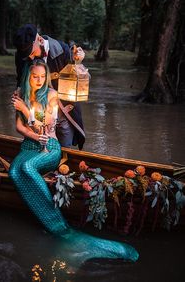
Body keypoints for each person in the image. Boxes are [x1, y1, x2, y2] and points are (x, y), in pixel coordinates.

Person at [9, 60, 139, 267]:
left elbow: (47, 125)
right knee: (14, 172)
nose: (40, 81)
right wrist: (29, 127)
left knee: (27, 168)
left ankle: (58, 226)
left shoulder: (51, 95)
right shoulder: (20, 93)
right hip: (29, 146)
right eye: (35, 77)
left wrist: (26, 111)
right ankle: (42, 212)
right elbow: (19, 127)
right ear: (28, 77)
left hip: (50, 147)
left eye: (43, 77)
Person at [13, 23, 85, 150]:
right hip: (36, 106)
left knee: (65, 139)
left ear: (39, 39)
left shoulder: (63, 50)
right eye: (26, 55)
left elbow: (78, 79)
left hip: (62, 106)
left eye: (32, 52)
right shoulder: (21, 56)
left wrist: (78, 62)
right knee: (38, 137)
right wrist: (19, 91)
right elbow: (20, 79)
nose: (29, 57)